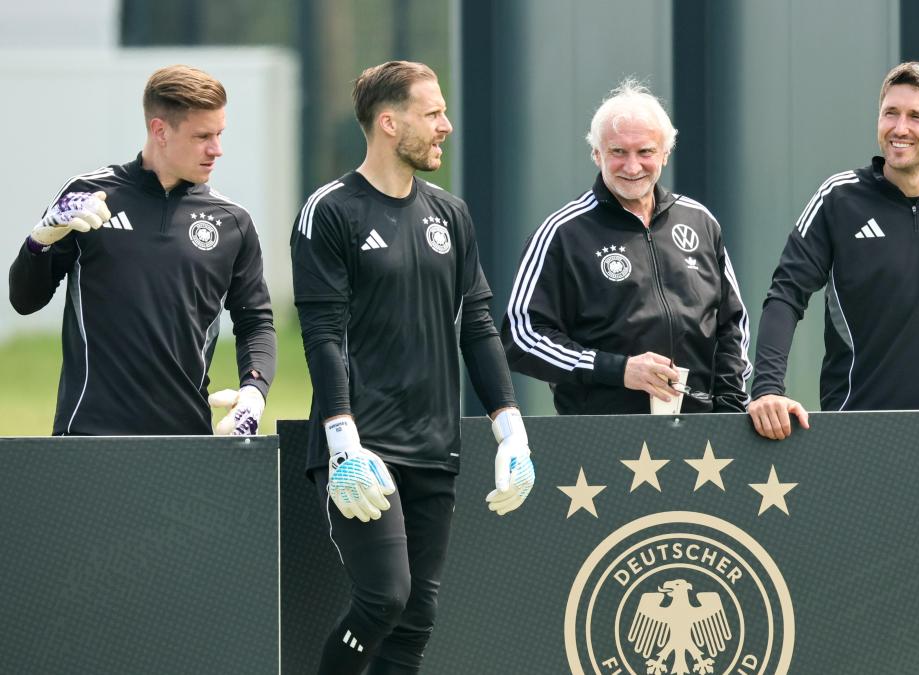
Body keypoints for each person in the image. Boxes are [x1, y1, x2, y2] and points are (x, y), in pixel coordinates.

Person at [290, 60, 536, 674]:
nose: (446, 126)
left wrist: (511, 429)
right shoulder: (330, 210)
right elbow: (322, 335)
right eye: (433, 114)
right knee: (384, 598)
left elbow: (478, 327)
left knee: (416, 619)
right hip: (363, 449)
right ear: (389, 123)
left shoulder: (451, 214)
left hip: (435, 445)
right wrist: (342, 441)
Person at [7, 64, 275, 436]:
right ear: (160, 130)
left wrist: (254, 391)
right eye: (202, 136)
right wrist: (40, 241)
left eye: (219, 134)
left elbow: (255, 322)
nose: (217, 149)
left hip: (188, 440)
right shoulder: (87, 197)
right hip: (86, 437)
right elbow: (24, 300)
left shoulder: (233, 222)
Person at [748, 62, 919, 439]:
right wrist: (766, 389)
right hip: (859, 430)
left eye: (916, 117)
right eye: (890, 113)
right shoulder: (839, 198)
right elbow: (785, 295)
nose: (899, 128)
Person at [502, 78, 751, 414]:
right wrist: (619, 370)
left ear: (665, 154)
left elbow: (732, 324)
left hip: (701, 431)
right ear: (596, 154)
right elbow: (522, 338)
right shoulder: (562, 233)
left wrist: (729, 409)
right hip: (603, 432)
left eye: (645, 152)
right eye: (618, 152)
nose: (632, 167)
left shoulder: (699, 221)